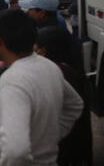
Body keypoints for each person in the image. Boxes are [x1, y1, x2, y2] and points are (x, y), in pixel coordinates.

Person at [0, 9, 83, 166]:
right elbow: (75, 105)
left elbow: (16, 151)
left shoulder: (14, 81)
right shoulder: (49, 67)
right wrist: (50, 137)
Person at [34, 27, 93, 166]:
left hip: (64, 150)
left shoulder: (58, 75)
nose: (35, 54)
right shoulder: (70, 70)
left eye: (38, 50)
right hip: (73, 146)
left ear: (45, 51)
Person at [21, 0, 83, 72]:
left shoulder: (48, 35)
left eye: (30, 9)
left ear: (42, 13)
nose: (28, 12)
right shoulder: (55, 24)